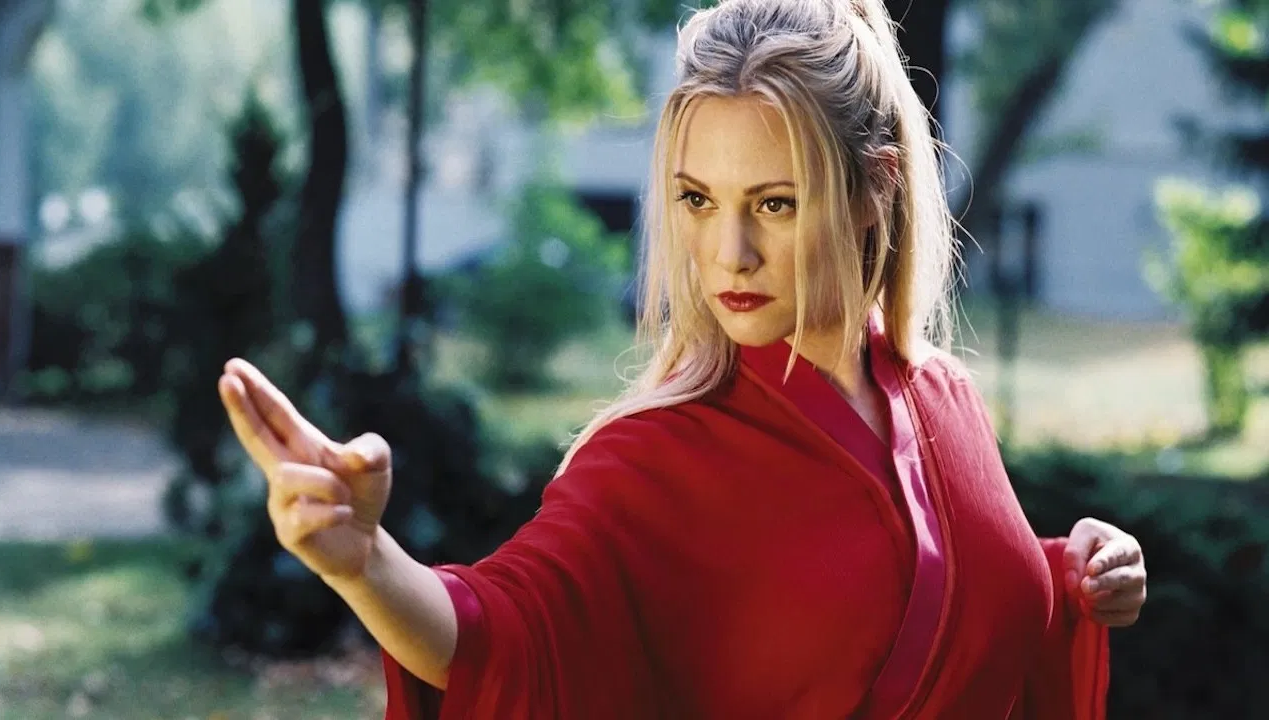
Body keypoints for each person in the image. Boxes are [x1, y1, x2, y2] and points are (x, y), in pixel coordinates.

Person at [218, 0, 1148, 717]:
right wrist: (366, 564)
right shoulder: (651, 460)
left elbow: (930, 595)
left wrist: (1069, 575)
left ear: (876, 190)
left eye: (775, 204)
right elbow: (502, 632)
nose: (728, 254)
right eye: (698, 201)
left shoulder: (943, 397)